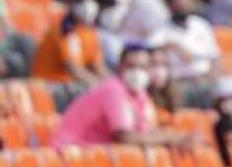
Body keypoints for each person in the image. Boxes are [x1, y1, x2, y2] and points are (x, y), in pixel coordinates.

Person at [53, 42, 195, 149]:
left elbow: (146, 131)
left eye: (143, 67)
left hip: (97, 155)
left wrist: (179, 137)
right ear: (120, 67)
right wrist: (169, 140)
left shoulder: (140, 94)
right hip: (72, 154)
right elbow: (125, 137)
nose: (137, 72)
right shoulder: (114, 90)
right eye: (131, 66)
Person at [31, 0, 109, 85]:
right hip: (52, 87)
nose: (87, 4)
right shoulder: (65, 29)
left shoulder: (89, 30)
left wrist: (115, 85)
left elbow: (98, 66)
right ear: (69, 3)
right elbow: (75, 69)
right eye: (80, 0)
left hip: (70, 85)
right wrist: (103, 89)